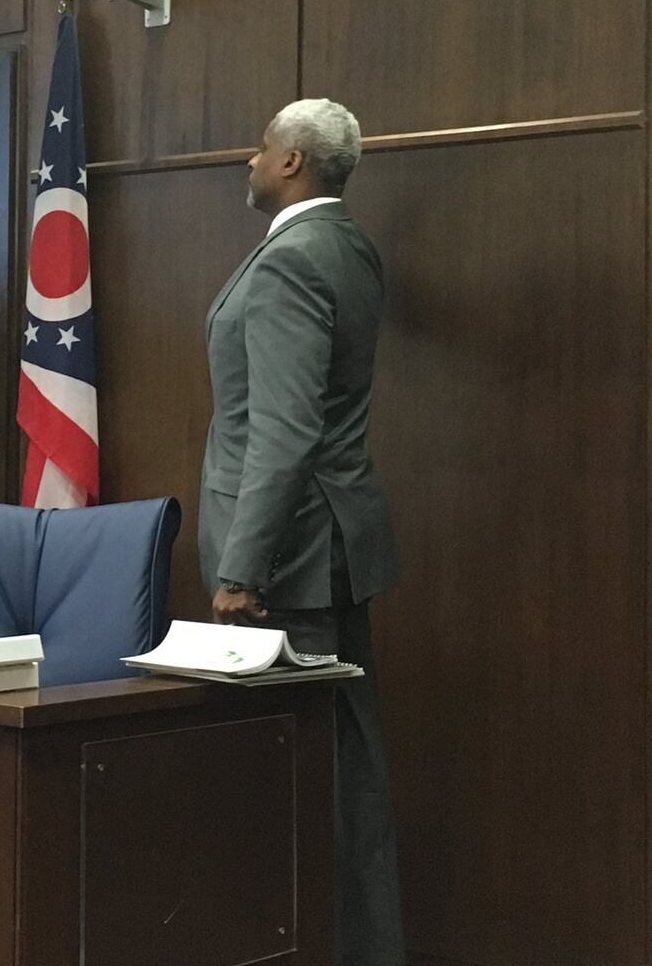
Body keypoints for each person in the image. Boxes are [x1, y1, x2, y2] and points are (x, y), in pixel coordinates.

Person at [199, 98, 404, 965]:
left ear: (292, 163)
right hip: (331, 544)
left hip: (291, 561)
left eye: (262, 146)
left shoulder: (292, 262)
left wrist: (242, 570)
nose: (250, 158)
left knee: (305, 784)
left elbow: (284, 431)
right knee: (343, 772)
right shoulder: (348, 245)